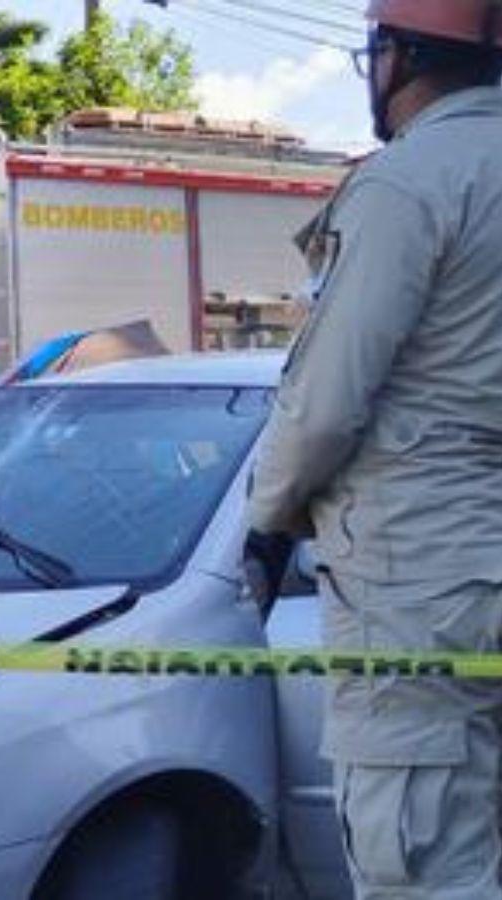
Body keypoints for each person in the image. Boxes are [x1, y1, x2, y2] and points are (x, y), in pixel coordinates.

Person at [247, 2, 502, 896]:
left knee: (424, 865)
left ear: (399, 57)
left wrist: (265, 522)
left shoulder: (410, 180)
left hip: (420, 585)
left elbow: (322, 403)